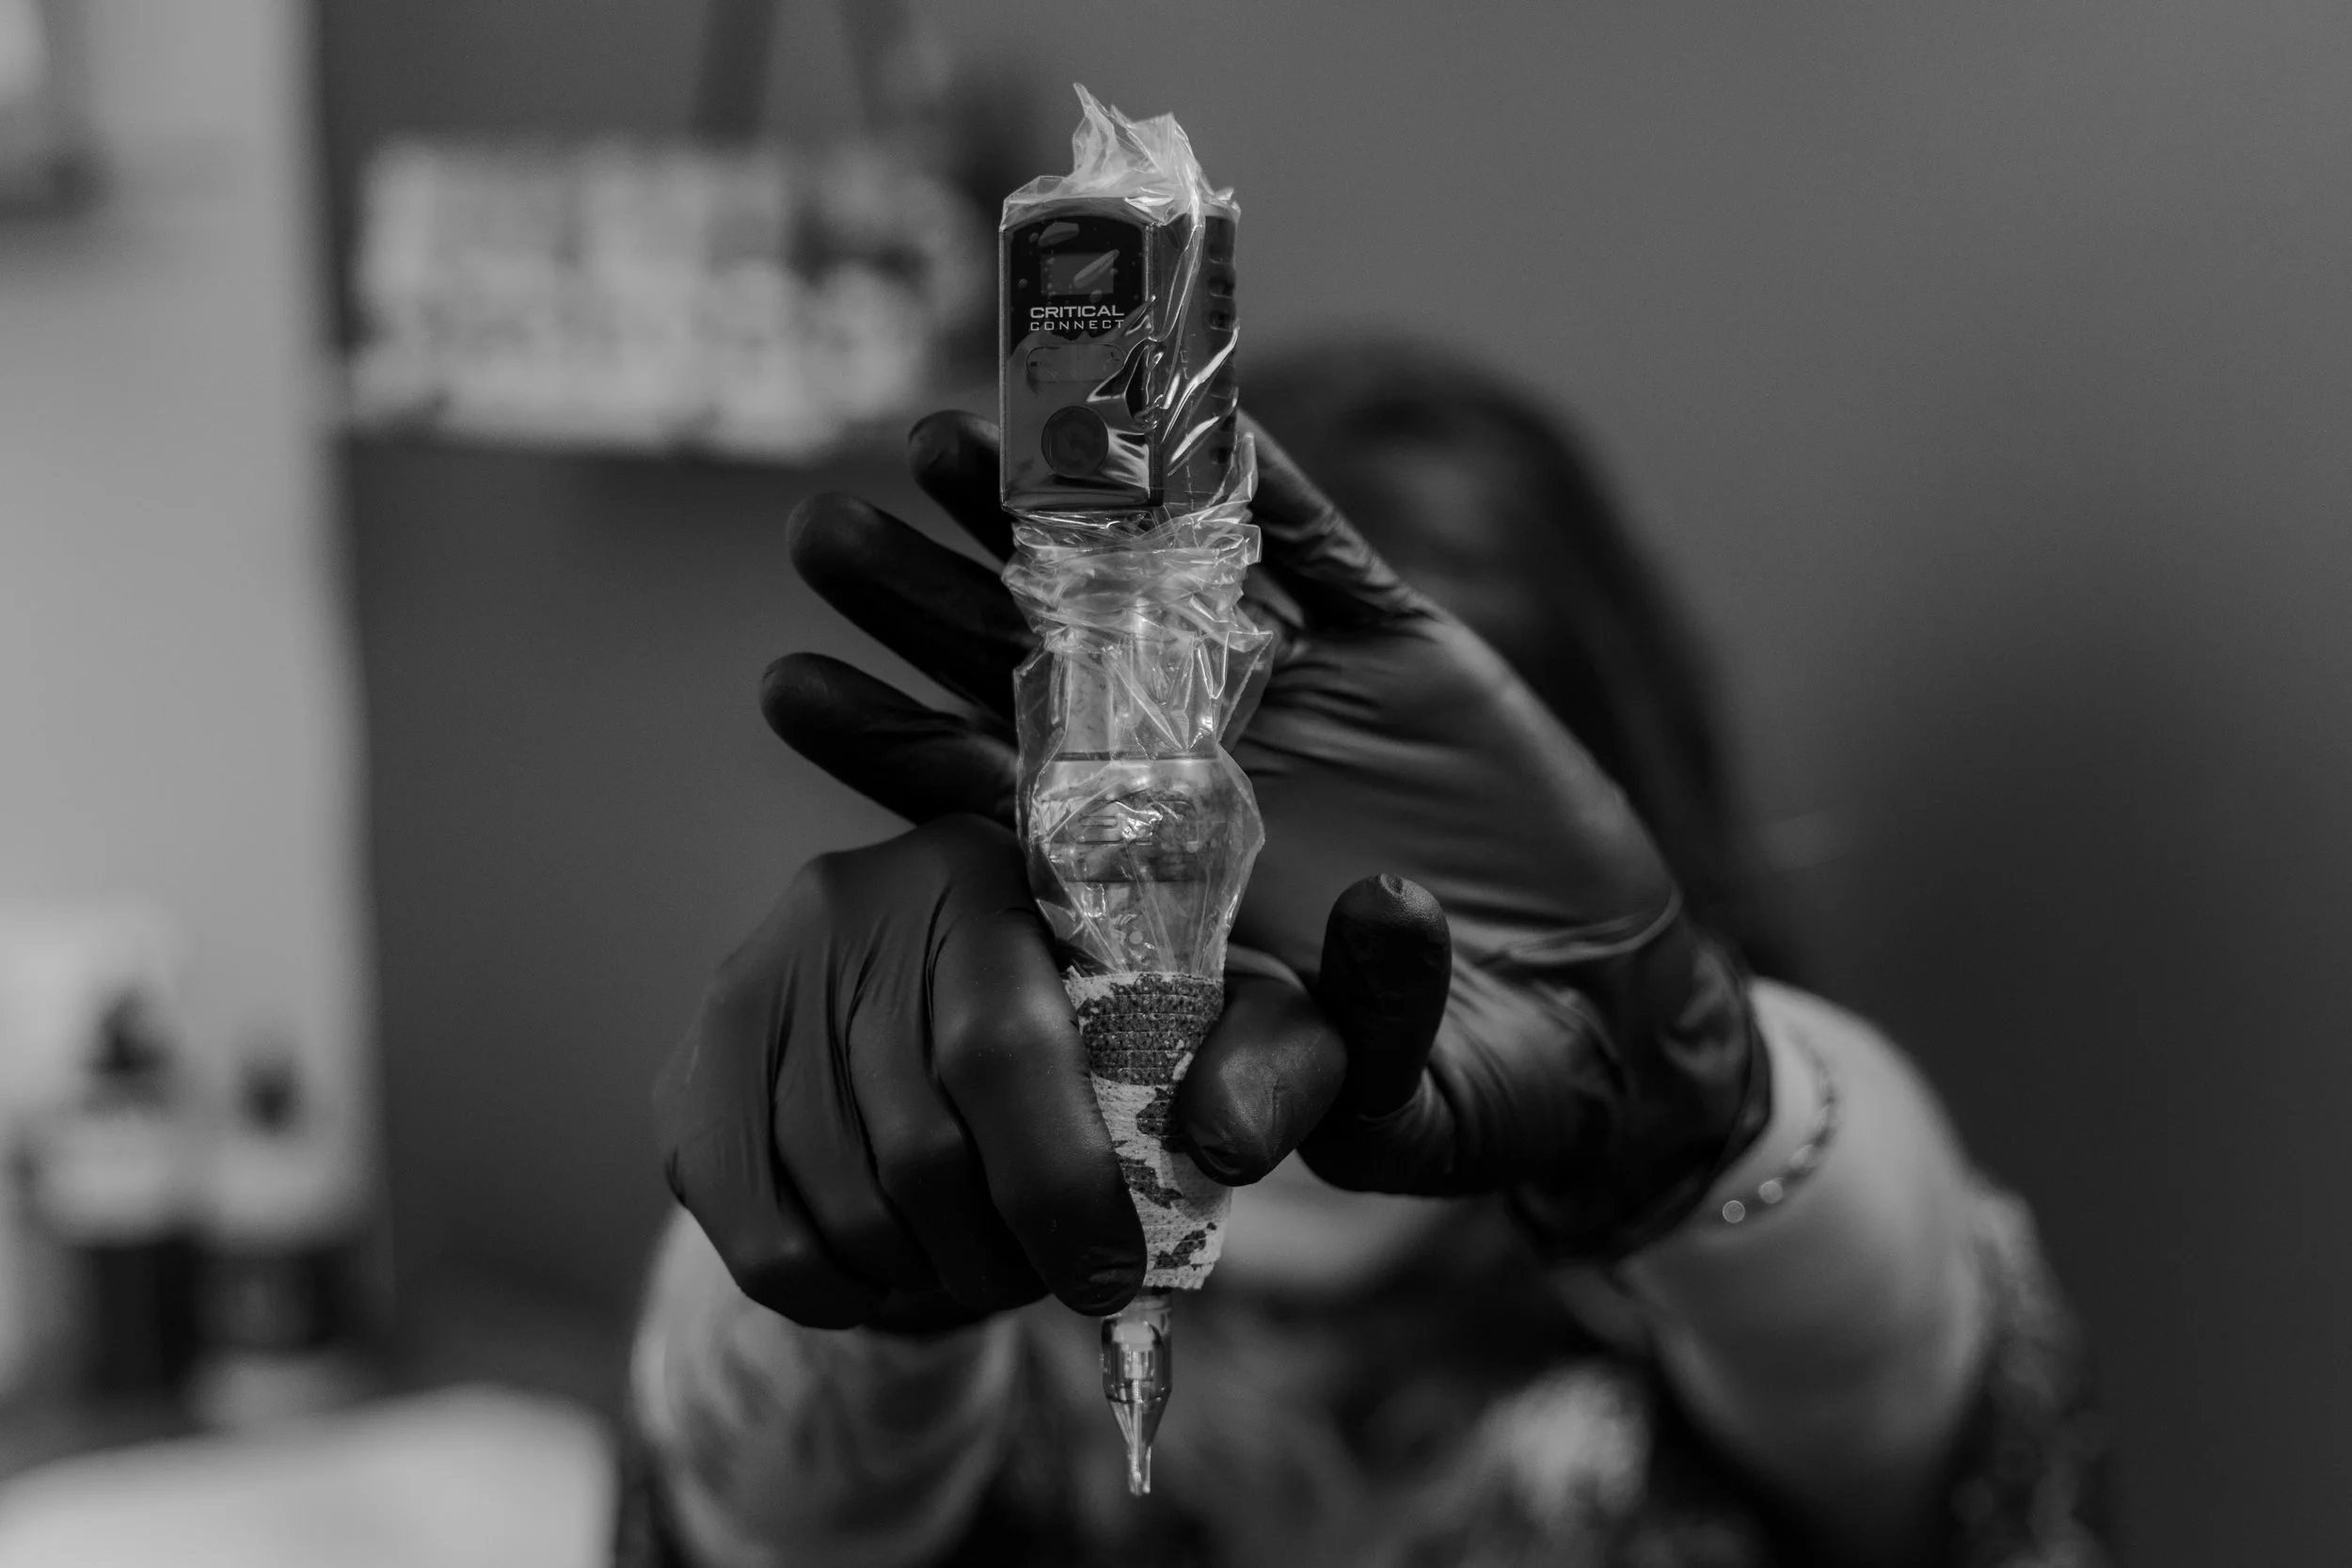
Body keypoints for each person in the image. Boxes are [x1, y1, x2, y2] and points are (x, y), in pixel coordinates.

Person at [616, 343, 2112, 1568]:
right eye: (1188, 860)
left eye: (1388, 899)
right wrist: (853, 1253)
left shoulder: (1692, 1335)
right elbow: (756, 1509)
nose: (1278, 985)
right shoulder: (996, 1346)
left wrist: (1708, 1106)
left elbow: (1905, 1370)